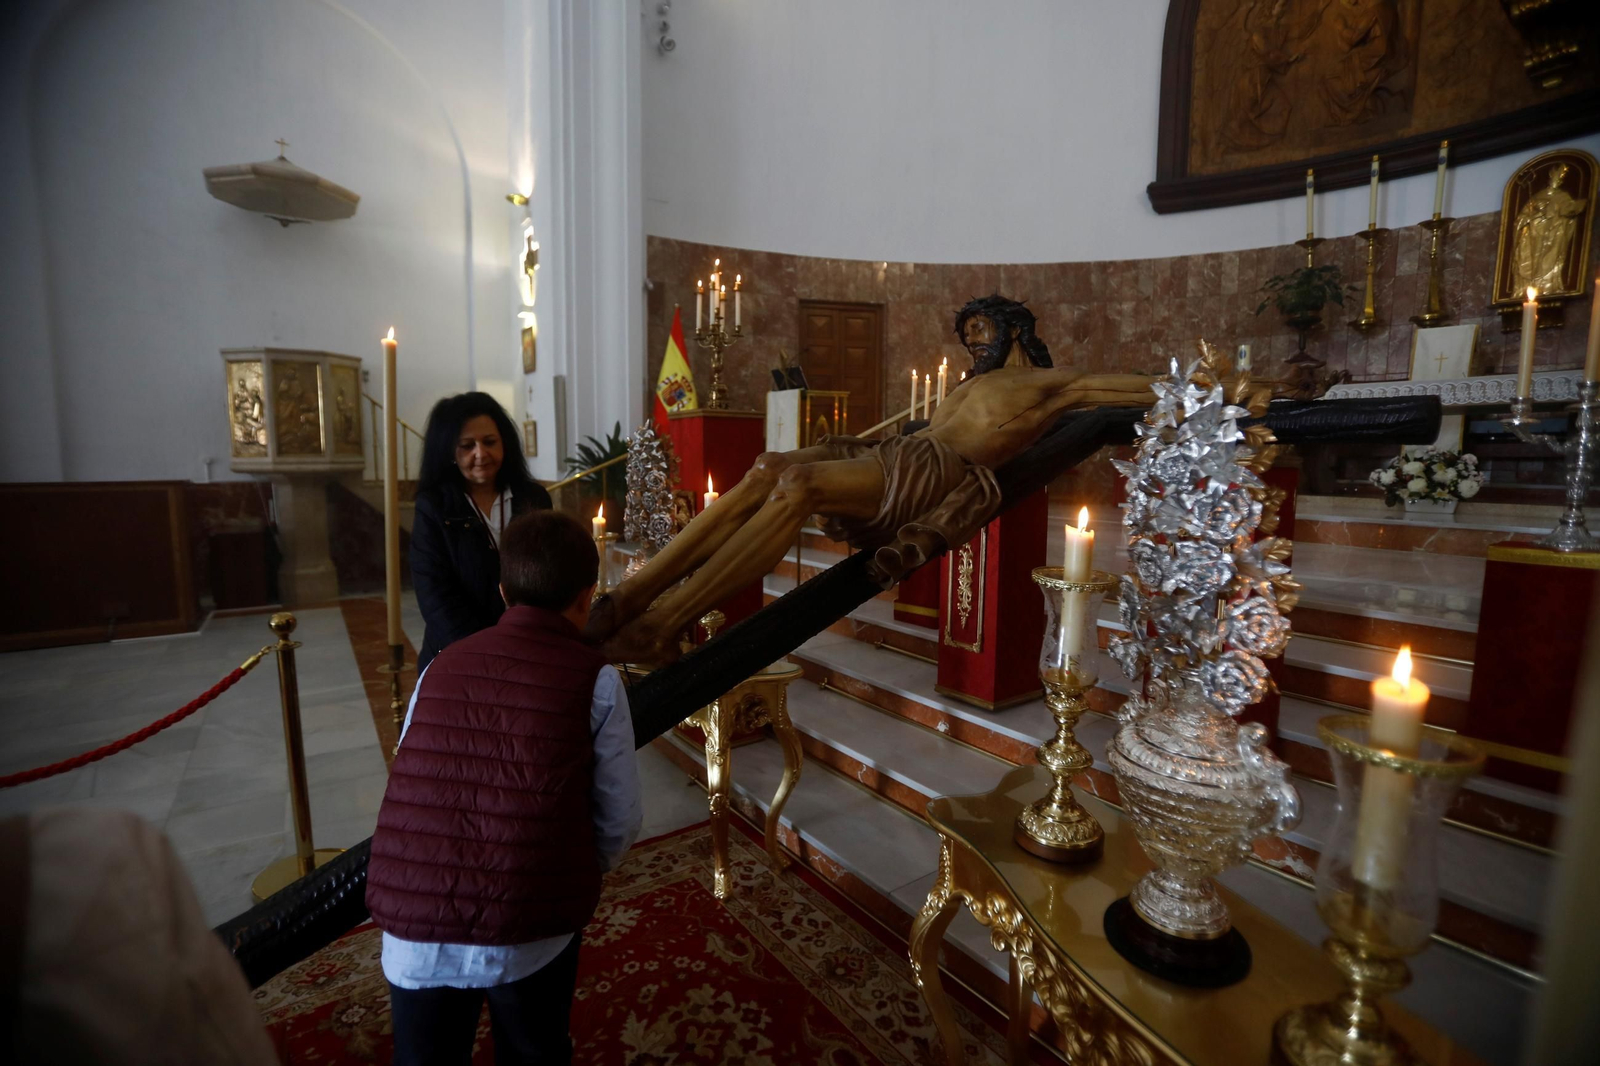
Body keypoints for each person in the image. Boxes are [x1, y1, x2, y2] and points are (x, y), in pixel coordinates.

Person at [589, 295, 1158, 663]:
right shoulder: (969, 386)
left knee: (798, 489)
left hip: (933, 473)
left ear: (1014, 332)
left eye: (985, 332)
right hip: (903, 453)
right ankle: (629, 598)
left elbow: (1124, 388)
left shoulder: (1048, 385)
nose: (976, 343)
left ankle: (663, 624)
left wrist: (1220, 387)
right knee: (769, 467)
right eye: (971, 335)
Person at [368, 509, 641, 1066]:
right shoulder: (597, 678)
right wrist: (576, 867)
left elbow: (414, 772)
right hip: (530, 921)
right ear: (588, 597)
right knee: (534, 1051)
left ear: (501, 589)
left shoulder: (439, 666)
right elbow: (619, 819)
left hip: (413, 924)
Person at [412, 392, 553, 670]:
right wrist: (488, 653)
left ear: (505, 443)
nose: (480, 454)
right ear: (450, 452)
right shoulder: (434, 506)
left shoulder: (532, 498)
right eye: (467, 445)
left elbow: (550, 574)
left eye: (490, 442)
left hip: (529, 647)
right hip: (459, 654)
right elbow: (435, 595)